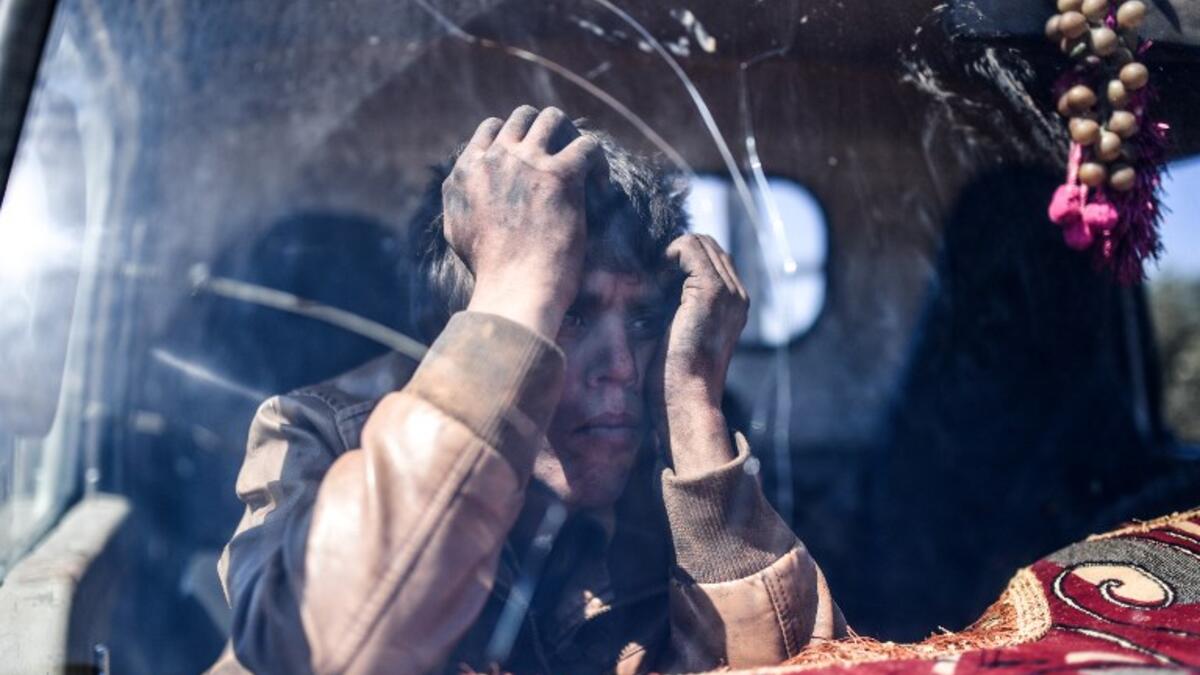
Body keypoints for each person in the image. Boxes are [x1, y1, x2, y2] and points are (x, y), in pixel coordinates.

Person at [213, 106, 845, 675]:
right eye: (571, 314)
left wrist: (694, 415)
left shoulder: (673, 484)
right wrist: (520, 289)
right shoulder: (321, 438)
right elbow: (324, 651)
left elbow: (813, 667)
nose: (622, 368)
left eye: (643, 322)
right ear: (463, 329)